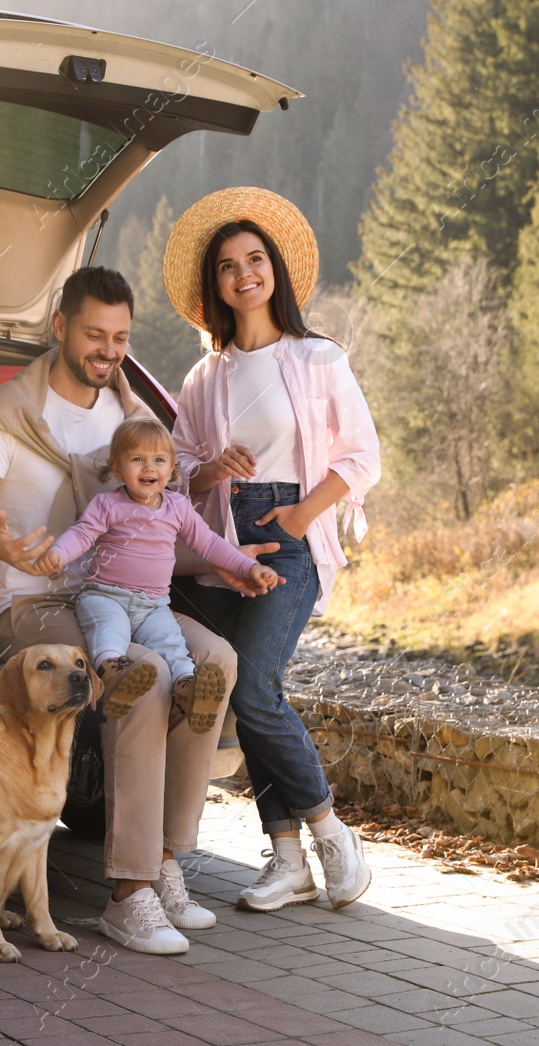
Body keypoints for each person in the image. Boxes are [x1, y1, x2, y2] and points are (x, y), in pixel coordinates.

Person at [0, 266, 277, 956]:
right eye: (95, 333)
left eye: (120, 337)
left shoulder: (130, 424)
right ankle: (127, 892)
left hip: (120, 596)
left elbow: (148, 538)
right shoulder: (7, 418)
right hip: (34, 605)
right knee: (148, 672)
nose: (108, 350)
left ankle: (166, 861)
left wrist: (222, 564)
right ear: (61, 327)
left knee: (214, 658)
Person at [162, 187, 383, 912]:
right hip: (225, 541)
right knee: (244, 691)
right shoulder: (205, 376)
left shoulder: (317, 358)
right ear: (215, 286)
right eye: (228, 265)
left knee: (254, 688)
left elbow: (360, 457)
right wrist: (209, 471)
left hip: (288, 537)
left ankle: (330, 833)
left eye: (255, 259)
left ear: (275, 272)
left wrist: (296, 519)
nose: (243, 273)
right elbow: (180, 471)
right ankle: (285, 857)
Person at [28, 415, 279, 733]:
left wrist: (249, 566)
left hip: (154, 605)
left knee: (173, 646)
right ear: (118, 469)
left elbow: (211, 544)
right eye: (137, 460)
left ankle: (189, 690)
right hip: (106, 595)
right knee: (109, 631)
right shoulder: (107, 504)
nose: (149, 468)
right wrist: (58, 554)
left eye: (159, 460)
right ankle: (115, 675)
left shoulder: (178, 507)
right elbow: (81, 534)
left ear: (171, 470)